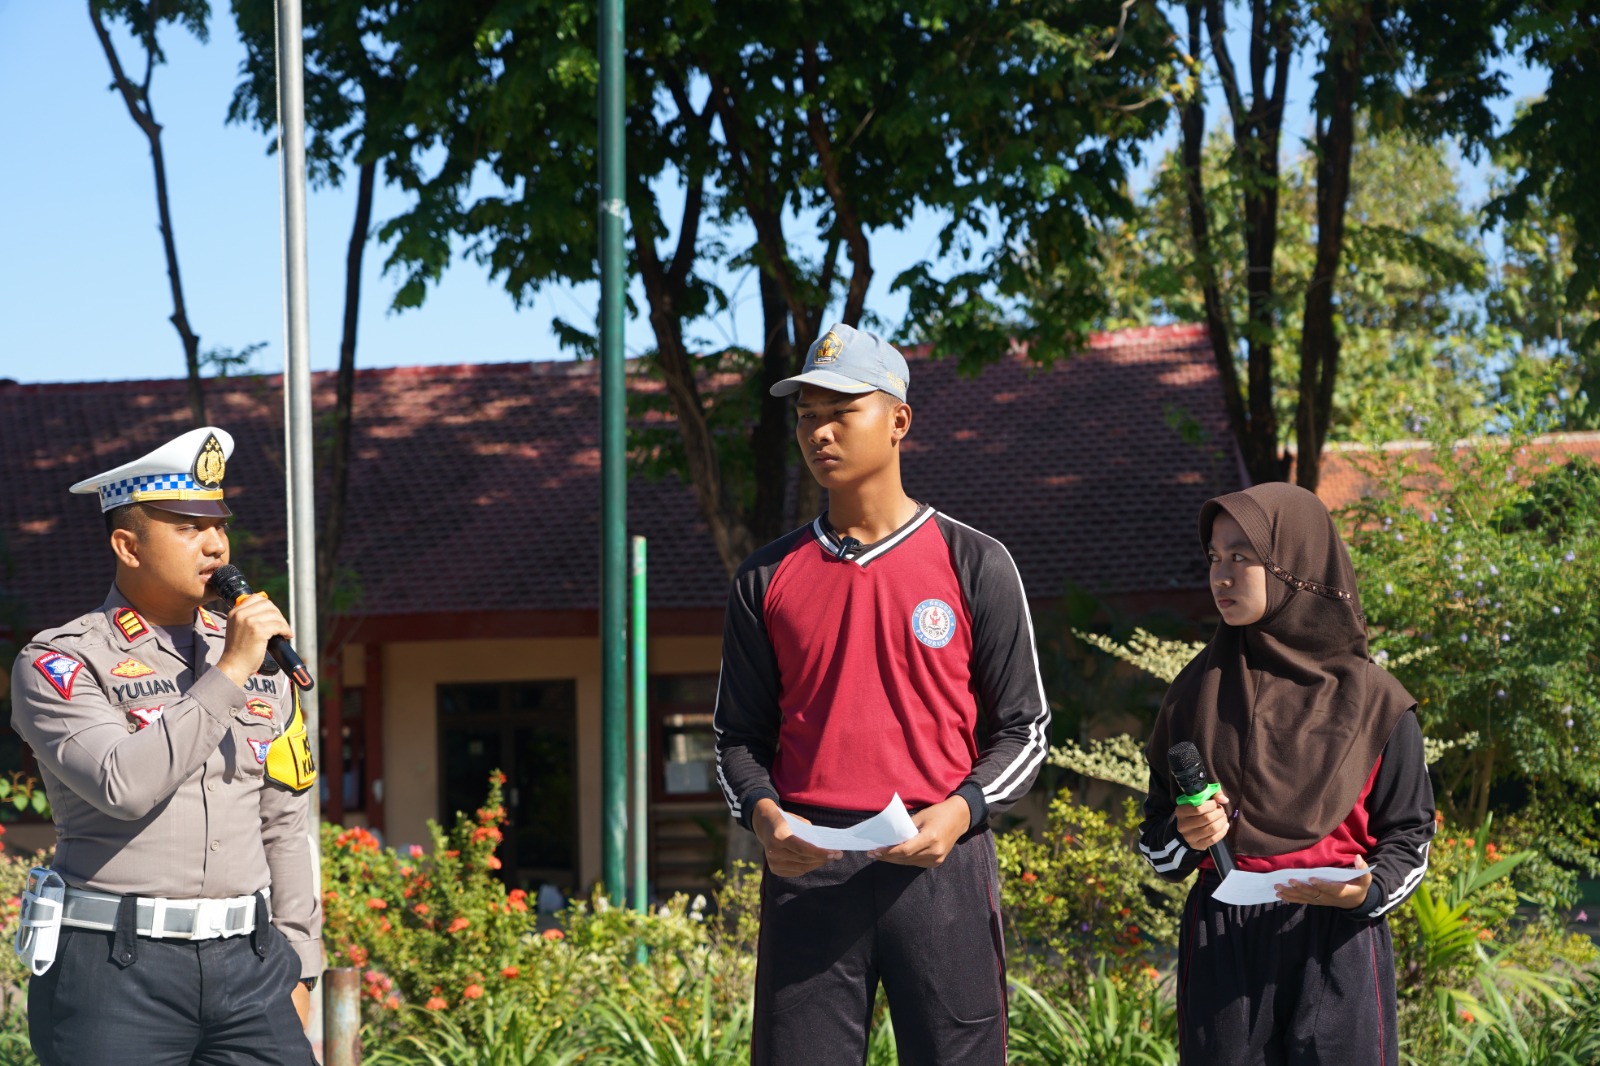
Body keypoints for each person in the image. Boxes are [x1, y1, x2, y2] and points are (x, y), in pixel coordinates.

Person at [714, 323, 1050, 1066]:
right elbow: (737, 740)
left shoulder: (974, 562)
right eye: (806, 416)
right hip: (810, 870)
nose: (819, 432)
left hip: (941, 866)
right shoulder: (764, 579)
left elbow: (1025, 733)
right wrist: (768, 820)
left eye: (841, 410)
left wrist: (958, 813)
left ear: (898, 420)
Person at [11, 426, 322, 1066]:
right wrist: (229, 671)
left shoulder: (259, 658)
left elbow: (284, 823)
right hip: (114, 966)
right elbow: (122, 786)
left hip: (254, 964)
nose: (214, 544)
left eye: (218, 525)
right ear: (128, 545)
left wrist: (300, 963)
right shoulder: (61, 662)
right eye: (186, 526)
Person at [1138, 483, 1434, 1065]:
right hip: (1224, 936)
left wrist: (1368, 891)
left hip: (1337, 938)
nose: (1220, 576)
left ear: (1296, 564)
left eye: (1241, 557)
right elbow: (1156, 844)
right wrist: (1184, 833)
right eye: (1213, 558)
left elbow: (1411, 837)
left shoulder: (1378, 704)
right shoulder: (1193, 696)